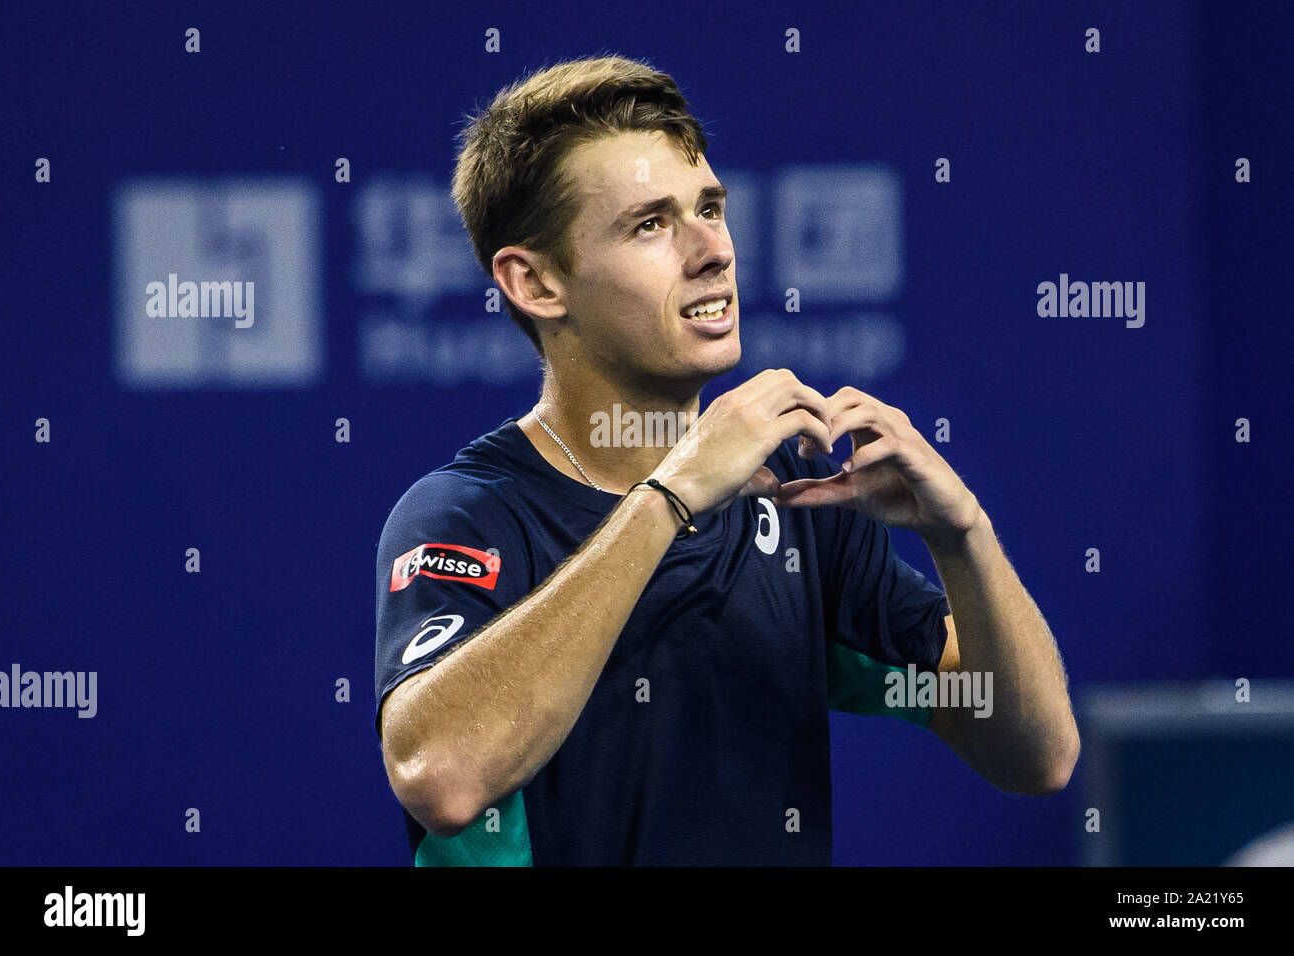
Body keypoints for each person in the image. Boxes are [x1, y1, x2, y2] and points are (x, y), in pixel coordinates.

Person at [373, 54, 1081, 865]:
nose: (712, 249)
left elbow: (1035, 755)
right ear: (534, 283)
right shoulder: (468, 514)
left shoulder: (793, 509)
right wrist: (668, 499)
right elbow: (444, 775)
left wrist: (964, 537)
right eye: (650, 224)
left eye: (710, 207)